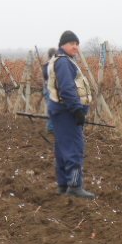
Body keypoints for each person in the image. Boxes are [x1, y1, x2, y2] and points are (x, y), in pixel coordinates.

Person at [46, 31, 95, 199]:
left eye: (77, 43)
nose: (75, 47)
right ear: (62, 45)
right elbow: (67, 89)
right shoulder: (64, 62)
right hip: (67, 112)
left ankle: (63, 185)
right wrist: (77, 110)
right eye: (71, 43)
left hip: (60, 111)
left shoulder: (60, 60)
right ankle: (74, 186)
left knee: (62, 148)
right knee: (74, 147)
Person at [42, 48, 58, 133]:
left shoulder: (46, 65)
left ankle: (52, 127)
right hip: (50, 89)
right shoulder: (52, 66)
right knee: (53, 109)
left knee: (52, 108)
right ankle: (51, 128)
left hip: (48, 89)